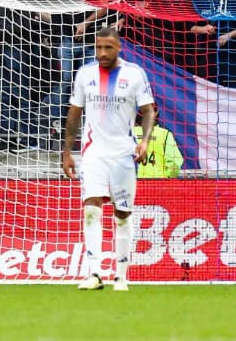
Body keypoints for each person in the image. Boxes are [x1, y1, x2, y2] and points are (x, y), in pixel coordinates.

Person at [61, 26, 157, 291]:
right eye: (98, 48)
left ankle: (121, 276)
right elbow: (74, 113)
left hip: (123, 154)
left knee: (122, 213)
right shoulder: (85, 74)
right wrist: (67, 151)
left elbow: (148, 111)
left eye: (108, 48)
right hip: (93, 153)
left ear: (118, 48)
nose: (102, 53)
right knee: (91, 207)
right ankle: (94, 274)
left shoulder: (134, 74)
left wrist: (145, 140)